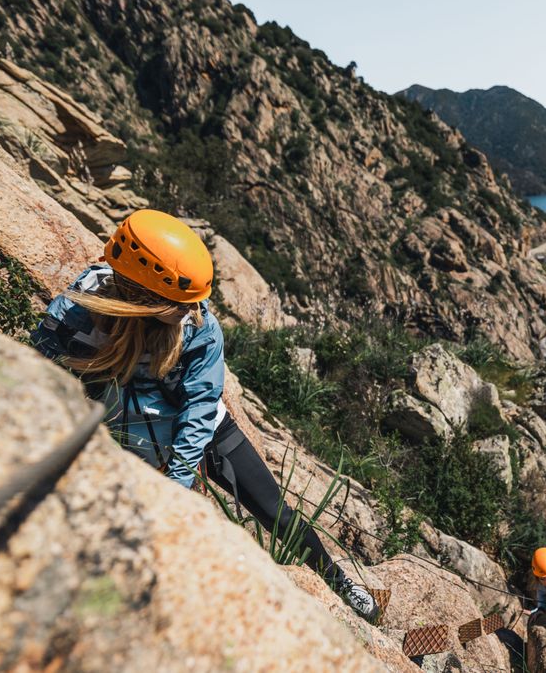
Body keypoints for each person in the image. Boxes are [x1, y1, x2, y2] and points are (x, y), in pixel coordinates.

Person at [30, 209, 378, 620]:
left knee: (274, 511)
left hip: (203, 431)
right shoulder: (78, 309)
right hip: (123, 433)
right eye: (180, 303)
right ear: (143, 293)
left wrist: (175, 487)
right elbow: (39, 372)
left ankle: (339, 581)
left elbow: (199, 408)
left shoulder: (198, 326)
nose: (193, 309)